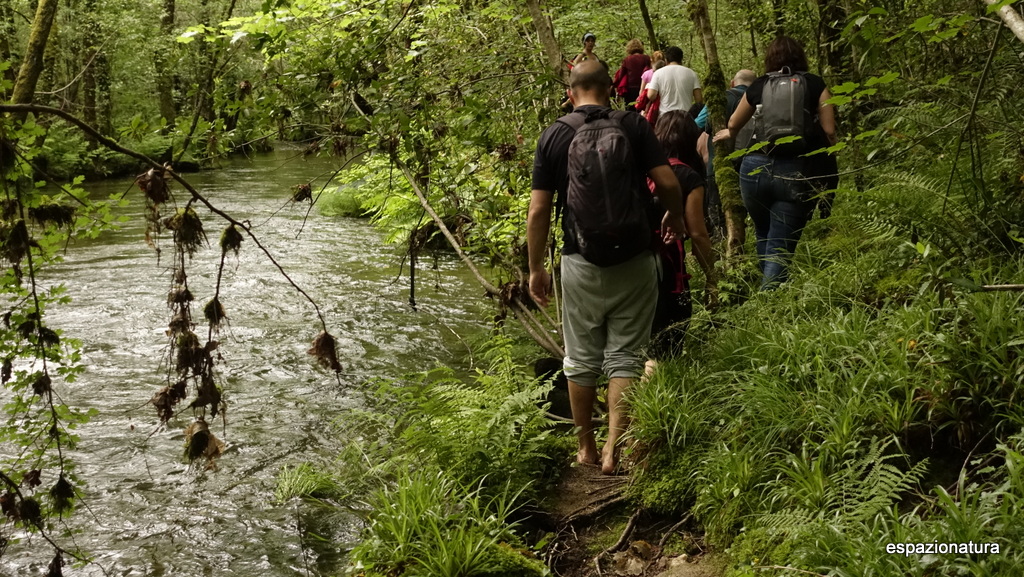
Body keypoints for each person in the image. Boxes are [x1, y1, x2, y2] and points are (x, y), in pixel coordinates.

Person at [527, 60, 687, 475]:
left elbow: (539, 210)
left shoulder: (554, 135)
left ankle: (586, 449)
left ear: (570, 92)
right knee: (626, 357)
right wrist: (673, 217)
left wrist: (536, 268)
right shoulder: (634, 126)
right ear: (609, 90)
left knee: (580, 359)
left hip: (580, 260)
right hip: (636, 258)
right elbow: (669, 183)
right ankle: (615, 448)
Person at [714, 36, 837, 290]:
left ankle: (766, 290)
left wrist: (729, 134)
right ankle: (768, 301)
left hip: (753, 170)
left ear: (769, 58)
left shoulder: (760, 84)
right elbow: (830, 130)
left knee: (764, 233)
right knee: (780, 243)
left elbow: (734, 124)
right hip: (795, 171)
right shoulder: (815, 84)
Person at [647, 110, 718, 368]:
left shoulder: (642, 169)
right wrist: (713, 278)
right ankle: (653, 400)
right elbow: (697, 233)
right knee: (666, 342)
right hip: (669, 269)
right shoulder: (688, 177)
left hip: (633, 261)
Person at [645, 46, 703, 115]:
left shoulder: (658, 73)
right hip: (685, 116)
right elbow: (699, 99)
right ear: (681, 59)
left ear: (666, 60)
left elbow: (651, 95)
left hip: (665, 116)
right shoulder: (692, 73)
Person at [613, 39, 651, 107]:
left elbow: (621, 75)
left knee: (630, 110)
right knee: (643, 108)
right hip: (644, 87)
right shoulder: (647, 58)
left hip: (630, 89)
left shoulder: (627, 59)